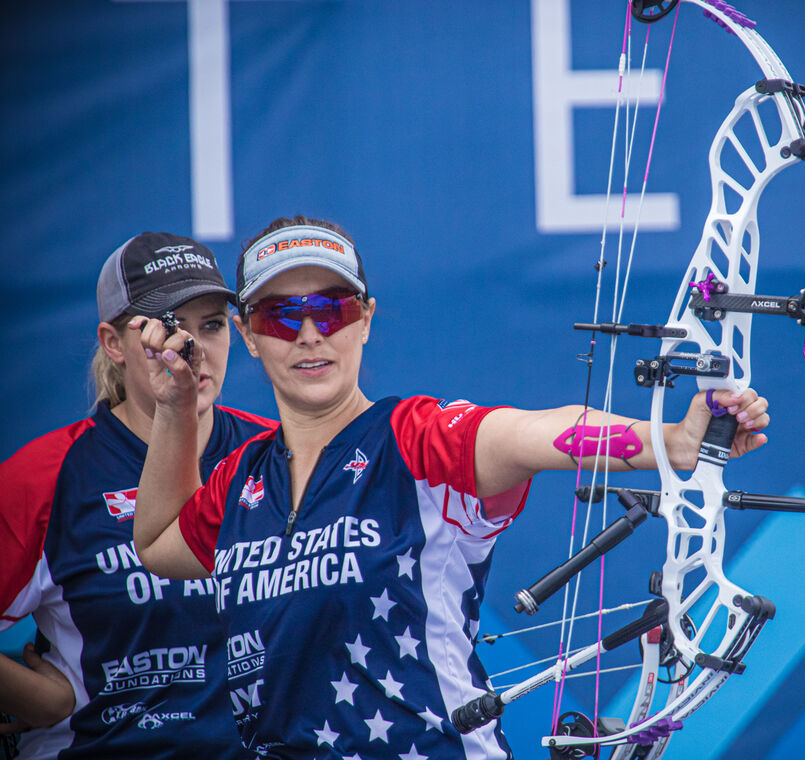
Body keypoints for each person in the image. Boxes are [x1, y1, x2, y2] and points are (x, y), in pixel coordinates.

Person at [132, 216, 771, 760]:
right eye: (280, 315)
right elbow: (159, 541)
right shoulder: (240, 477)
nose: (310, 333)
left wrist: (673, 443)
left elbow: (537, 433)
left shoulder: (414, 439)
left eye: (334, 308)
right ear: (247, 333)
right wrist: (174, 407)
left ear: (365, 320)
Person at [0, 232, 276, 759]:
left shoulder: (275, 454)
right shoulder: (46, 477)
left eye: (212, 325)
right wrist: (38, 699)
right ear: (112, 343)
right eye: (166, 327)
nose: (192, 348)